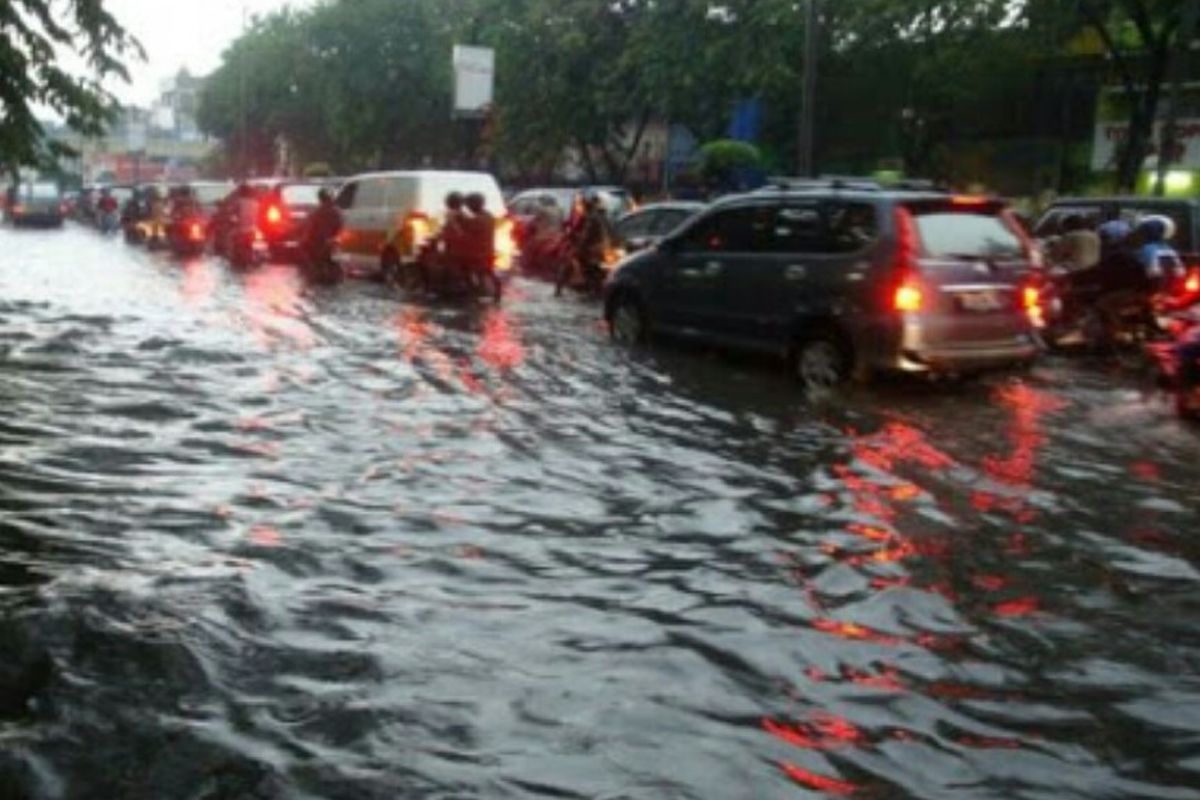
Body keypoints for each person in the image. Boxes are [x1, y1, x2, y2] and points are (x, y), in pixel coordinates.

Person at [303, 188, 343, 276]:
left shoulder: (317, 212)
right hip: (334, 240)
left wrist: (306, 238)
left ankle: (317, 270)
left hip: (320, 242)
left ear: (320, 199)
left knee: (307, 248)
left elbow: (310, 228)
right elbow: (340, 225)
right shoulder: (336, 211)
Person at [463, 192, 495, 284]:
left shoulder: (478, 219)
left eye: (469, 205)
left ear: (475, 204)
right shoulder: (488, 216)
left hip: (477, 254)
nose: (468, 208)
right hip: (485, 252)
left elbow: (466, 229)